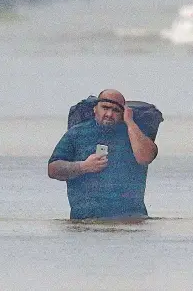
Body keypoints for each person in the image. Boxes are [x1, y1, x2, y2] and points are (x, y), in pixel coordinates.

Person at [48, 89, 158, 220]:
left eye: (116, 110)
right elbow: (52, 169)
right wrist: (83, 166)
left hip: (130, 221)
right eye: (105, 108)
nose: (109, 114)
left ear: (123, 113)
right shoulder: (76, 134)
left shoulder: (134, 133)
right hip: (84, 222)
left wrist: (130, 122)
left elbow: (146, 158)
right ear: (95, 108)